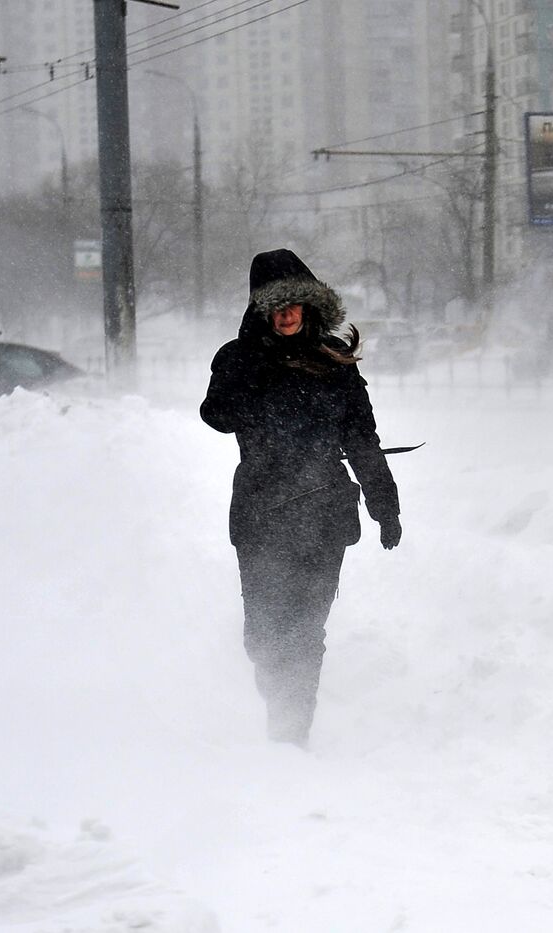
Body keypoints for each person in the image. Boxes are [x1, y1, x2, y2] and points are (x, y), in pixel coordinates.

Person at [201, 249, 402, 747]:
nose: (287, 314)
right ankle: (279, 706)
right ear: (261, 310)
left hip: (323, 512)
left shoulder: (334, 360)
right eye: (275, 305)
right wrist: (253, 367)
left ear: (312, 306)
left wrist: (385, 504)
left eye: (296, 304)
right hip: (261, 513)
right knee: (263, 637)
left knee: (305, 632)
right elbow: (216, 415)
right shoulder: (238, 358)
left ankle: (291, 733)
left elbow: (361, 438)